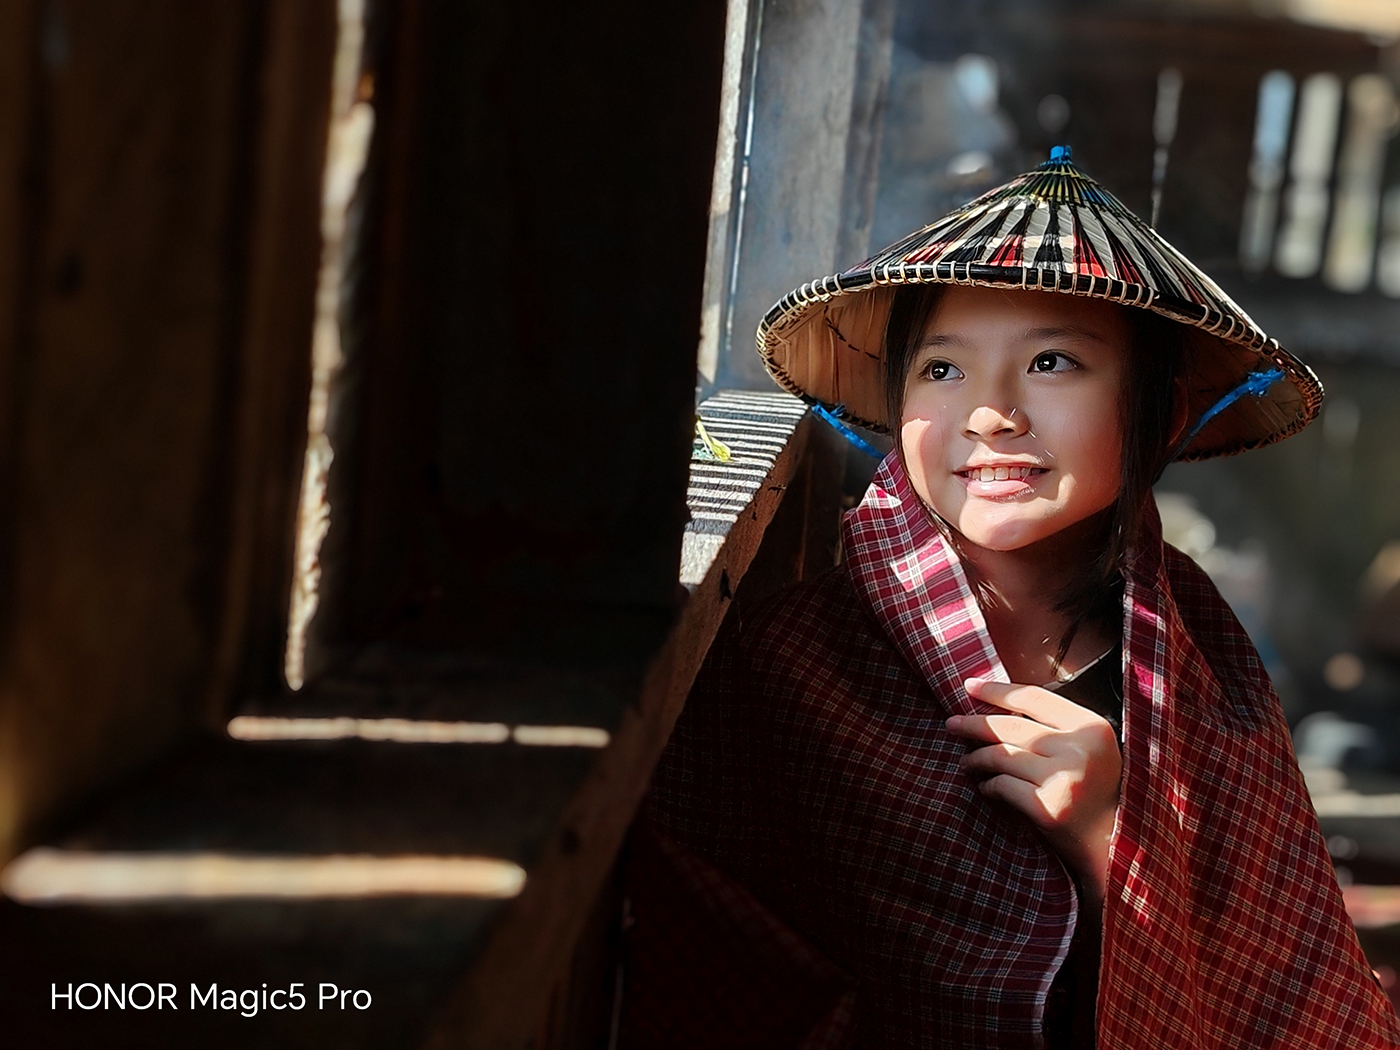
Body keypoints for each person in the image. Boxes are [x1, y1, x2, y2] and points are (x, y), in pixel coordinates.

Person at [633, 148, 1400, 1049]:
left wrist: (1113, 840)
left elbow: (1285, 999)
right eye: (943, 370)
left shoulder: (1202, 673)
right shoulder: (793, 666)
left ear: (1161, 411)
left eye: (1052, 360)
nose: (990, 412)